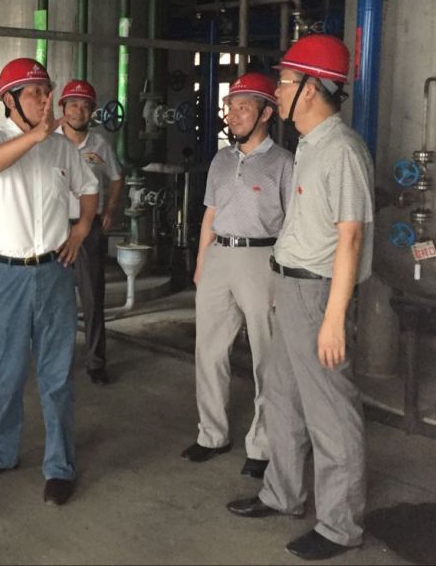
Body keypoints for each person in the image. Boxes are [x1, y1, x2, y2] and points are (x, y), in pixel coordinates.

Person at [226, 35, 374, 562]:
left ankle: (340, 525)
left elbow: (350, 238)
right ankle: (283, 494)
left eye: (286, 82)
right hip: (291, 287)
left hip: (318, 295)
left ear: (311, 89)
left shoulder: (343, 150)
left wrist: (333, 319)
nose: (279, 91)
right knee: (283, 398)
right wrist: (278, 286)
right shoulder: (310, 146)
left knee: (330, 410)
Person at [0, 58, 98, 507]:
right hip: (5, 276)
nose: (45, 99)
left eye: (46, 91)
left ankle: (59, 467)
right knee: (8, 372)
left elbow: (89, 188)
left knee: (56, 375)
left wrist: (80, 229)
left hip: (54, 272)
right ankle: (0, 454)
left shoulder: (62, 149)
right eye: (35, 92)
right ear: (10, 100)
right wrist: (36, 135)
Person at [180, 72, 293, 478]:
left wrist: (283, 277)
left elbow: (292, 224)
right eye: (231, 106)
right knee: (209, 351)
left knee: (266, 355)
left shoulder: (283, 163)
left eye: (244, 106)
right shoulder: (221, 159)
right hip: (218, 257)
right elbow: (210, 213)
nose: (234, 114)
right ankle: (212, 434)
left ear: (266, 113)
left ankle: (262, 446)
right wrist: (200, 263)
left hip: (262, 259)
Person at [55, 79, 123, 385]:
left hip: (89, 228)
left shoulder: (100, 145)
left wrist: (109, 210)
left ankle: (96, 361)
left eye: (85, 106)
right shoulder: (50, 142)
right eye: (73, 104)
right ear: (63, 108)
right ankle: (57, 359)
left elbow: (117, 178)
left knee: (92, 296)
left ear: (92, 111)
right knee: (55, 299)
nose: (78, 111)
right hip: (54, 228)